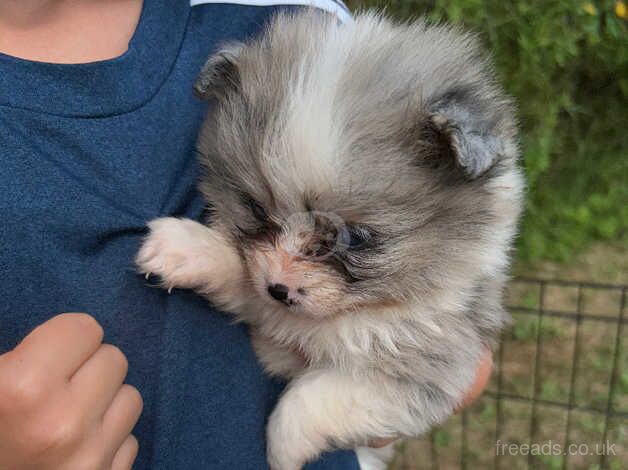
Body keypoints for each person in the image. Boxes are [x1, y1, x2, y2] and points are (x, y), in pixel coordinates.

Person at [0, 1, 492, 468]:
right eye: (258, 213)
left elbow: (455, 370)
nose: (279, 277)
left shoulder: (290, 13)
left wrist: (362, 398)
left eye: (350, 240)